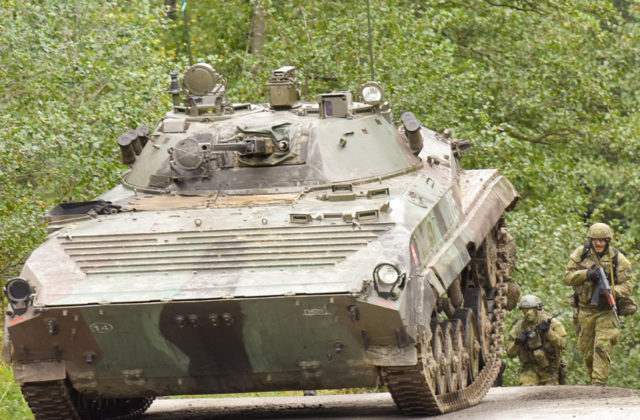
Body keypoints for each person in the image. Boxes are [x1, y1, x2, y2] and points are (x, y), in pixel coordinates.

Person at [563, 222, 635, 386]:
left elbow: (628, 285)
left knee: (602, 346)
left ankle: (598, 383)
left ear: (608, 241)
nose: (598, 243)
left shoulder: (617, 259)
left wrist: (611, 291)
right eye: (595, 240)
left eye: (602, 240)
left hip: (606, 311)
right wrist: (586, 274)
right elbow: (567, 277)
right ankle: (593, 382)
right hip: (586, 310)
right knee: (588, 352)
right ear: (590, 240)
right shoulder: (581, 254)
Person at [506, 295, 567, 385]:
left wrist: (548, 332)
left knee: (550, 390)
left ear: (537, 309)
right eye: (525, 310)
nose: (528, 313)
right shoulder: (520, 327)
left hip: (550, 370)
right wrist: (517, 343)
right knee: (526, 388)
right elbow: (510, 354)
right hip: (530, 370)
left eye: (531, 309)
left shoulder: (550, 323)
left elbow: (562, 344)